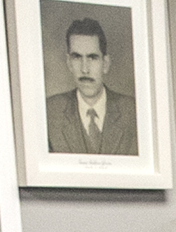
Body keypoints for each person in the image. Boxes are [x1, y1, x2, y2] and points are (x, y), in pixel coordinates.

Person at [44, 17, 136, 155]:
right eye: (77, 57)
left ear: (105, 63)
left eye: (92, 57)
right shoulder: (49, 113)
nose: (85, 69)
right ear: (69, 63)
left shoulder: (133, 112)